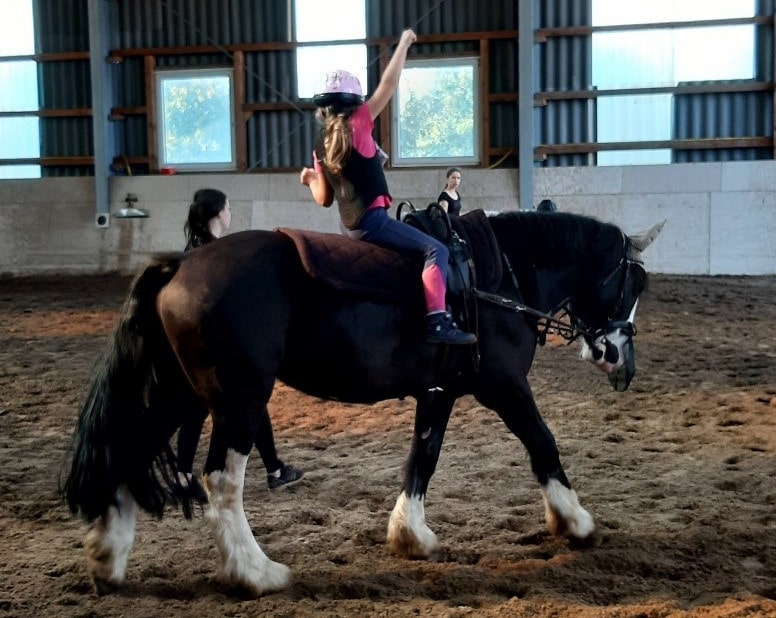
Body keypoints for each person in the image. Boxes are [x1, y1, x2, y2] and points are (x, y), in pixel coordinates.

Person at [299, 29, 476, 346]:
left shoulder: (317, 143)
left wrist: (312, 179)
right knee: (436, 249)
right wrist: (405, 43)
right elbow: (389, 85)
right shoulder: (359, 123)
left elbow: (324, 199)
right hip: (373, 222)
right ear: (354, 103)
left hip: (348, 226)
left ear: (322, 107)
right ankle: (437, 321)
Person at [177, 188, 303, 501]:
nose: (230, 213)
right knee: (244, 402)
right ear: (219, 213)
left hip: (200, 341)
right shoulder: (217, 255)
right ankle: (274, 470)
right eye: (229, 208)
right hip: (220, 342)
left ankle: (183, 476)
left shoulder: (192, 249)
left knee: (203, 408)